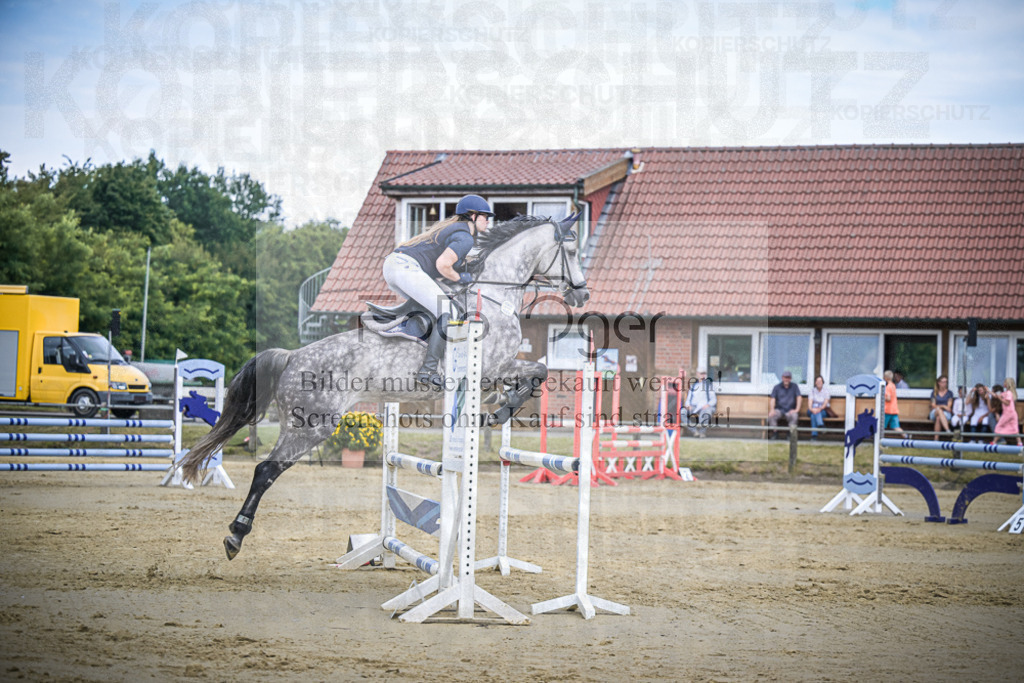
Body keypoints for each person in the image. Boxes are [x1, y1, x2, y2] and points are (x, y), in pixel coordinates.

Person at [382, 194, 494, 387]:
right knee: (447, 311)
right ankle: (428, 370)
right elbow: (442, 265)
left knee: (432, 308)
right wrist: (460, 278)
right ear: (473, 216)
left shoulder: (456, 231)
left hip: (395, 266)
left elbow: (444, 264)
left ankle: (404, 332)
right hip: (405, 268)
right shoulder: (464, 237)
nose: (488, 220)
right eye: (485, 216)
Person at [683, 367, 717, 438]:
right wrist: (688, 405)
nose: (703, 375)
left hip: (705, 406)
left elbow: (713, 399)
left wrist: (708, 405)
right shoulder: (693, 386)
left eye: (704, 373)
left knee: (706, 412)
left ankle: (702, 432)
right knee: (683, 412)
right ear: (697, 374)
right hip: (694, 406)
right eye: (701, 373)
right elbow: (688, 399)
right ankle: (694, 431)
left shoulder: (709, 385)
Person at [767, 370, 802, 438]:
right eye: (785, 377)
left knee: (794, 416)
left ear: (790, 378)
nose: (786, 379)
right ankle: (775, 433)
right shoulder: (776, 387)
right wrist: (772, 410)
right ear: (782, 378)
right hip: (779, 409)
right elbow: (773, 399)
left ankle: (790, 434)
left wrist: (797, 410)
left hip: (790, 410)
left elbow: (799, 397)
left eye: (788, 377)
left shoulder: (795, 386)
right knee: (771, 416)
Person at [992, 377, 1022, 446]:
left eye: (1005, 382)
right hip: (1013, 414)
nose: (1003, 383)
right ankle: (1019, 443)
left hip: (1008, 414)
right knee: (1015, 429)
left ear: (1007, 384)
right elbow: (996, 395)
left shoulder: (1009, 393)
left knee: (999, 426)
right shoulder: (1006, 393)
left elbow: (1007, 403)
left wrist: (1000, 398)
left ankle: (994, 442)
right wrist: (988, 391)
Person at [929, 375, 954, 440]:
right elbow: (933, 405)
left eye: (946, 382)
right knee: (939, 410)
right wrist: (943, 406)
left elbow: (948, 407)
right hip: (934, 412)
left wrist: (941, 407)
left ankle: (936, 440)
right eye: (943, 382)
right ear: (939, 383)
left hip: (946, 413)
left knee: (938, 418)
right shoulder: (934, 393)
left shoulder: (949, 393)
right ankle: (947, 430)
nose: (944, 384)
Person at [806, 375, 830, 441]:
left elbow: (825, 404)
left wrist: (818, 409)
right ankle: (821, 425)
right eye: (817, 381)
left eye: (820, 381)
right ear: (815, 382)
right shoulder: (812, 391)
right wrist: (812, 409)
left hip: (823, 410)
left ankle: (814, 436)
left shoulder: (826, 391)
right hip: (811, 410)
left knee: (813, 416)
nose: (819, 382)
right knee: (814, 411)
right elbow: (810, 403)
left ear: (823, 382)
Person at [883, 370, 906, 437]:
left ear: (885, 378)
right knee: (896, 427)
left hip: (887, 410)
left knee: (881, 426)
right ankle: (906, 436)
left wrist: (881, 396)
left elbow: (888, 398)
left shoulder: (887, 387)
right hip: (894, 410)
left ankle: (879, 440)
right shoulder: (893, 385)